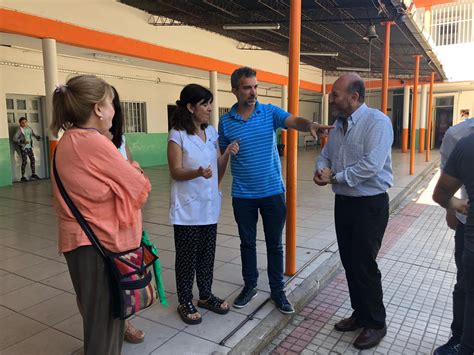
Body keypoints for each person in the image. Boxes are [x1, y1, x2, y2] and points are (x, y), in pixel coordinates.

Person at [218, 67, 331, 314]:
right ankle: (250, 286)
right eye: (247, 87)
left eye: (255, 86)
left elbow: (293, 120)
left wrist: (310, 124)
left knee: (274, 244)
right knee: (247, 243)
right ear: (235, 90)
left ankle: (278, 291)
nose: (253, 92)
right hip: (242, 195)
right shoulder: (226, 122)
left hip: (272, 193)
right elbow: (222, 155)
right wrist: (224, 162)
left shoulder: (268, 112)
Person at [51, 75, 151, 354]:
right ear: (97, 108)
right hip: (99, 245)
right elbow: (140, 190)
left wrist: (125, 172)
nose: (114, 110)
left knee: (99, 319)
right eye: (110, 104)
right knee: (105, 326)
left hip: (81, 242)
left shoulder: (68, 141)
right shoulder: (92, 142)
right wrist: (135, 167)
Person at [314, 73, 393, 350]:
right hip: (345, 203)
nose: (331, 98)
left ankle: (376, 323)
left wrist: (334, 177)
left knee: (365, 264)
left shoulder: (377, 123)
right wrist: (321, 169)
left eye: (336, 94)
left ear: (354, 97)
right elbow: (326, 154)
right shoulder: (338, 125)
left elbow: (371, 166)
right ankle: (360, 315)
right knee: (349, 262)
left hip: (369, 205)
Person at [167, 83, 239, 324]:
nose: (209, 108)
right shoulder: (177, 134)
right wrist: (196, 172)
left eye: (210, 103)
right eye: (204, 104)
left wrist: (226, 153)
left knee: (207, 255)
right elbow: (175, 171)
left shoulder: (212, 133)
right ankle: (185, 300)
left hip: (209, 206)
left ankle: (205, 295)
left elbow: (218, 169)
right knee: (187, 257)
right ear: (190, 107)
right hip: (187, 208)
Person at [434, 116, 474, 355]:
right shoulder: (458, 135)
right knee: (464, 285)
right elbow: (445, 180)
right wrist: (452, 207)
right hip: (466, 225)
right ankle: (459, 337)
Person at [108, 86, 146, 344]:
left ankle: (124, 320)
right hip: (101, 222)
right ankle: (106, 329)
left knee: (124, 273)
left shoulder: (119, 140)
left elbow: (136, 174)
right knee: (100, 281)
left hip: (126, 218)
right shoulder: (83, 141)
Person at [13, 117, 41, 181]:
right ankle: (23, 177)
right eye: (22, 122)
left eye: (25, 122)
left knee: (33, 160)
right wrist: (22, 141)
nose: (24, 123)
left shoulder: (29, 128)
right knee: (24, 161)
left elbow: (33, 134)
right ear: (20, 123)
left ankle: (33, 175)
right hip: (23, 147)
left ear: (27, 122)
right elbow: (14, 138)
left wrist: (37, 137)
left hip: (29, 147)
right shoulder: (19, 130)